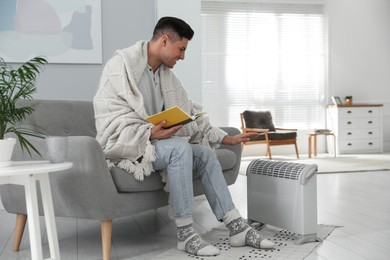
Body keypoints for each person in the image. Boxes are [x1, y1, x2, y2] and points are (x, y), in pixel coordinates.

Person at [93, 16, 274, 256]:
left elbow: (191, 114)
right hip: (130, 146)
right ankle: (186, 234)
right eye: (181, 49)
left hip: (161, 145)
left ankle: (236, 226)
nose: (182, 57)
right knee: (180, 148)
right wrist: (147, 132)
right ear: (165, 40)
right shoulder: (121, 67)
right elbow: (111, 116)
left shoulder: (167, 77)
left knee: (204, 154)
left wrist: (224, 138)